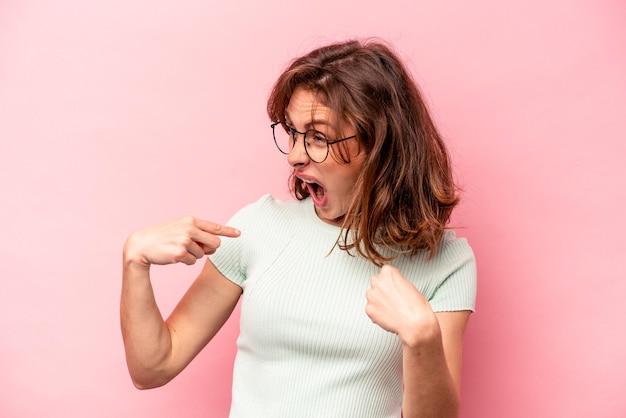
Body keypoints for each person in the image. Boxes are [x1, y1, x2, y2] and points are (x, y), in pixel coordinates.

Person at [121, 39, 477, 418]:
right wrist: (134, 261)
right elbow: (152, 368)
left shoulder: (447, 261)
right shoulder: (257, 228)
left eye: (318, 137)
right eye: (292, 132)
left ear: (378, 144)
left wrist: (422, 336)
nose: (294, 155)